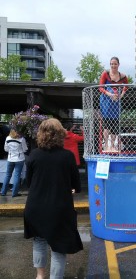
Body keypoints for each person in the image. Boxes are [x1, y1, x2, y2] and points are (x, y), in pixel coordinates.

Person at [24, 118, 83, 279]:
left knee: (39, 241)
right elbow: (76, 185)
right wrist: (69, 188)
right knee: (59, 247)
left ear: (41, 134)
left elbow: (29, 183)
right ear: (60, 134)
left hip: (35, 207)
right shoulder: (67, 156)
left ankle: (40, 276)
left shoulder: (34, 155)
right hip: (59, 208)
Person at [99, 56, 128, 152]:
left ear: (118, 65)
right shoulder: (105, 74)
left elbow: (126, 87)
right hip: (106, 101)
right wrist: (109, 94)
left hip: (116, 102)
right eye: (111, 64)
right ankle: (106, 145)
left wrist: (121, 95)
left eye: (115, 64)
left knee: (115, 124)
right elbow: (101, 87)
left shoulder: (123, 76)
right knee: (107, 124)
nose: (113, 65)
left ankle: (112, 146)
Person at [1, 129, 28, 197]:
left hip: (10, 158)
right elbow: (25, 149)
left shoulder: (8, 138)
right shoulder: (21, 139)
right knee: (17, 175)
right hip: (19, 159)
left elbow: (6, 149)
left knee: (8, 175)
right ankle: (14, 193)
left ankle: (3, 192)